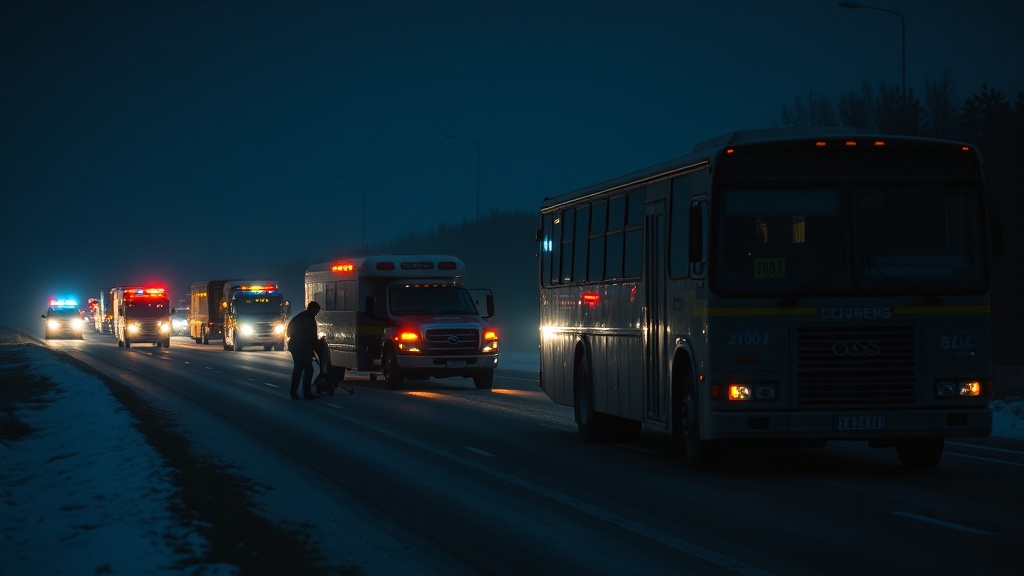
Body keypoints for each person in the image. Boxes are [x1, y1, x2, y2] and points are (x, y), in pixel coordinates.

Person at [286, 301, 321, 400]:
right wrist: (318, 349)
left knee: (298, 369)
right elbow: (312, 337)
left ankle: (294, 392)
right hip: (302, 347)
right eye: (317, 311)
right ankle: (306, 393)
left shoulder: (298, 317)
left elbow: (288, 332)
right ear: (313, 309)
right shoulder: (310, 320)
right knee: (309, 370)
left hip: (295, 346)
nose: (317, 313)